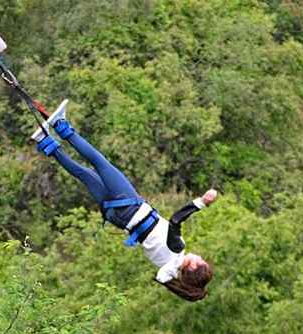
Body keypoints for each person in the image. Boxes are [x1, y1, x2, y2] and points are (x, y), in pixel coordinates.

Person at [31, 100, 216, 301]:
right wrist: (188, 289)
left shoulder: (177, 250)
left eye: (201, 261)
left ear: (193, 266)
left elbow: (175, 221)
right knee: (84, 175)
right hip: (116, 217)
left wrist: (201, 202)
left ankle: (61, 125)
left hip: (129, 204)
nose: (199, 257)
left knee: (99, 162)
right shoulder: (165, 270)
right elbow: (163, 278)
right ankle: (45, 141)